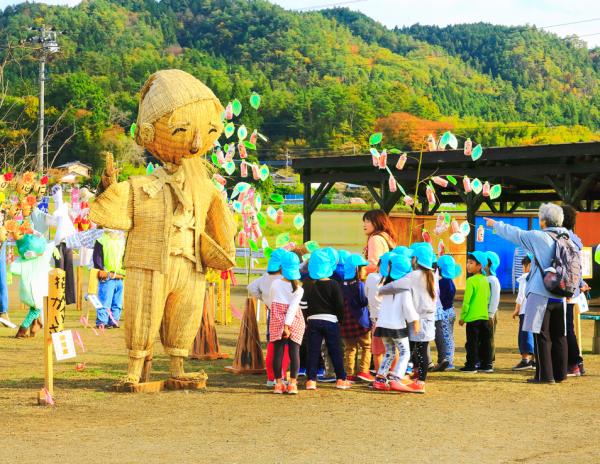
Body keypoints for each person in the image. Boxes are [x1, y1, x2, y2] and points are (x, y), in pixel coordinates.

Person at [485, 203, 568, 384]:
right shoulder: (568, 237)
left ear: (543, 220)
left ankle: (544, 376)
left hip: (541, 291)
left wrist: (495, 225)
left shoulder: (539, 237)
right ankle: (560, 374)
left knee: (541, 334)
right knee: (559, 334)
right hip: (561, 293)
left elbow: (516, 234)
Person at [378, 243, 437, 393]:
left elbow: (395, 285)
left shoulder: (414, 275)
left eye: (412, 258)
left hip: (418, 319)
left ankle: (419, 382)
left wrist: (381, 290)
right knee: (419, 350)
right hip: (428, 318)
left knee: (418, 351)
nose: (411, 260)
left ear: (416, 259)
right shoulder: (431, 275)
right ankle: (417, 379)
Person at [302, 250, 351, 390]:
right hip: (331, 321)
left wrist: (306, 319)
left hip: (312, 321)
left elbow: (303, 304)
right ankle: (341, 379)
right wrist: (339, 319)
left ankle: (311, 380)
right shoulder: (334, 284)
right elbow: (340, 305)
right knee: (335, 350)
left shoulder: (307, 283)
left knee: (313, 351)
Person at [373, 252, 420, 392]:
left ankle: (380, 379)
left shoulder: (385, 286)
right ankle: (396, 378)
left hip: (382, 325)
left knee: (390, 352)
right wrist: (415, 320)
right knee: (405, 352)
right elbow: (408, 308)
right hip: (396, 326)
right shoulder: (403, 290)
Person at [247, 248, 287, 387]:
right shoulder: (285, 279)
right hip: (285, 315)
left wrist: (264, 299)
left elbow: (251, 287)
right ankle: (281, 375)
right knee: (285, 347)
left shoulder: (265, 277)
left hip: (272, 313)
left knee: (272, 345)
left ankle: (271, 378)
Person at [269, 251, 305, 394]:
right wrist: (287, 326)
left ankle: (278, 384)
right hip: (294, 320)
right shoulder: (299, 289)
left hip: (277, 318)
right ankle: (293, 384)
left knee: (277, 352)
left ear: (282, 268)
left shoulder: (275, 284)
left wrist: (283, 326)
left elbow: (272, 301)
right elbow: (292, 309)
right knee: (294, 352)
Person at [561, 205, 588, 377]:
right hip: (572, 290)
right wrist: (580, 282)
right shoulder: (575, 239)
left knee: (565, 328)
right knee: (567, 327)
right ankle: (576, 363)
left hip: (564, 290)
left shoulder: (563, 239)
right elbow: (577, 267)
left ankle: (574, 363)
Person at [11, 235, 56, 338]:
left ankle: (35, 325)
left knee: (34, 308)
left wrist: (17, 259)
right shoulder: (42, 260)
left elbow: (14, 270)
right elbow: (50, 268)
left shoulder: (23, 261)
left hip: (26, 291)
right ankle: (22, 330)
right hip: (37, 290)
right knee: (37, 308)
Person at [340, 253, 373, 382]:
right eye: (363, 268)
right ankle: (364, 371)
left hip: (346, 322)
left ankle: (349, 373)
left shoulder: (342, 284)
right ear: (357, 270)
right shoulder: (359, 285)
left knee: (350, 348)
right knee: (366, 346)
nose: (365, 270)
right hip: (361, 321)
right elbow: (363, 301)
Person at [459, 251, 492, 373]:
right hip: (484, 317)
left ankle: (471, 365)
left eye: (471, 263)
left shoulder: (471, 281)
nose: (468, 265)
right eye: (467, 262)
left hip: (472, 318)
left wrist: (463, 317)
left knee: (472, 343)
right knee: (485, 342)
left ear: (479, 266)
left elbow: (466, 301)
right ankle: (487, 365)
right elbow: (487, 298)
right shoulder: (485, 280)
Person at [432, 255, 461, 371]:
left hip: (443, 313)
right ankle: (450, 359)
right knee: (449, 337)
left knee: (445, 337)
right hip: (450, 311)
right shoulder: (450, 281)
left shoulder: (442, 282)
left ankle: (448, 362)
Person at [93, 229, 126, 329]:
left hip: (118, 277)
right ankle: (104, 321)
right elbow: (97, 258)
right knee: (107, 301)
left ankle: (112, 321)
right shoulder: (102, 240)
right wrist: (101, 270)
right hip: (109, 276)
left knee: (115, 301)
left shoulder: (122, 241)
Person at [511, 255, 535, 370]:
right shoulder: (540, 277)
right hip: (538, 311)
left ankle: (525, 360)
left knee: (525, 335)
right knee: (537, 334)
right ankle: (535, 360)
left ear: (528, 265)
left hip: (525, 310)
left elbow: (521, 296)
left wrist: (517, 309)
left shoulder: (525, 277)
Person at [365, 257, 386, 373]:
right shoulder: (395, 280)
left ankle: (379, 375)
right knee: (393, 349)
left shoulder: (371, 277)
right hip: (392, 319)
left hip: (376, 318)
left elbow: (365, 294)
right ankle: (393, 375)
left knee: (377, 350)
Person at [362, 209, 397, 274]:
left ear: (377, 222)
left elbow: (373, 265)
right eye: (364, 221)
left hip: (377, 278)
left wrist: (358, 270)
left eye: (368, 221)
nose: (364, 224)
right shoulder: (386, 236)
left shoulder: (375, 239)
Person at [485, 251, 501, 365]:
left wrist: (490, 314)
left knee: (489, 336)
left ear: (490, 264)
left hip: (490, 312)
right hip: (483, 311)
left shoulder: (493, 280)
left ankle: (489, 359)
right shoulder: (485, 278)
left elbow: (495, 298)